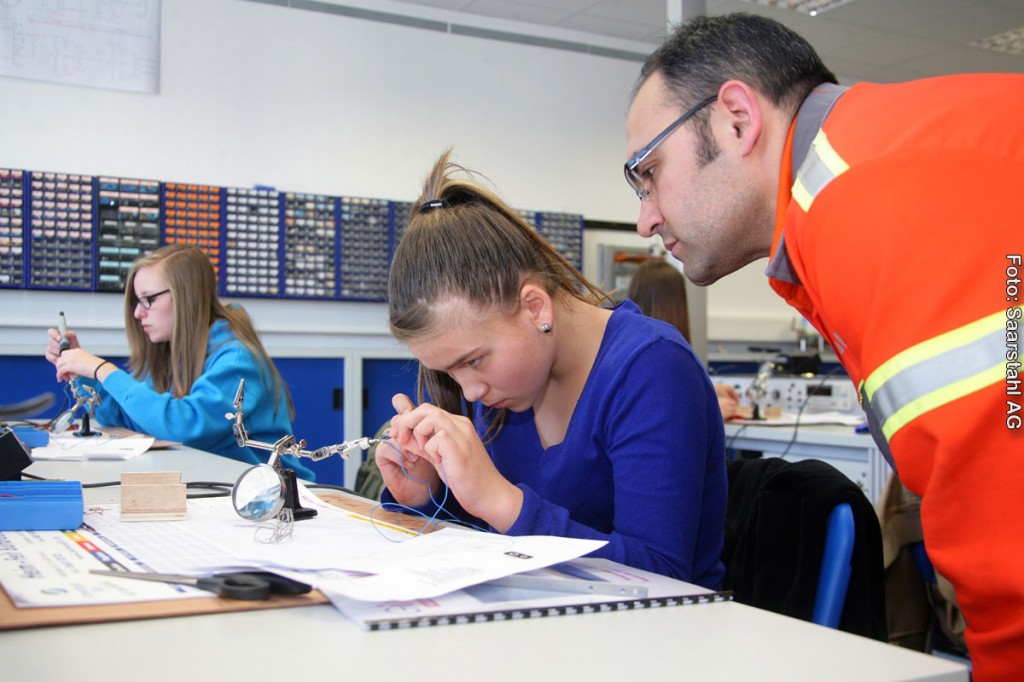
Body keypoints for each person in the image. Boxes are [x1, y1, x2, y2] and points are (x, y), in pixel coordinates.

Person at [624, 13, 1022, 680]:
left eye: (650, 172)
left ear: (737, 120)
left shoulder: (866, 203)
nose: (645, 216)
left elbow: (1009, 555)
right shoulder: (878, 155)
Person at [377, 150, 727, 588]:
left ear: (534, 307)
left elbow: (661, 573)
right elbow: (484, 545)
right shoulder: (506, 386)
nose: (469, 392)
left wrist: (502, 501)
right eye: (450, 372)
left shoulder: (651, 369)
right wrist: (426, 496)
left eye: (473, 361)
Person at [45, 243, 314, 479]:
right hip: (222, 488)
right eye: (137, 302)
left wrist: (102, 370)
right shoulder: (176, 355)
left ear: (186, 297)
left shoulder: (236, 360)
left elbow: (184, 425)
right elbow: (129, 418)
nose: (138, 313)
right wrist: (83, 374)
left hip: (273, 497)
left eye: (148, 299)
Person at [627, 257, 740, 418]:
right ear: (677, 305)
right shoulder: (664, 352)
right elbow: (663, 418)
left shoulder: (631, 348)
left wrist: (710, 390)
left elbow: (671, 391)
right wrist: (713, 413)